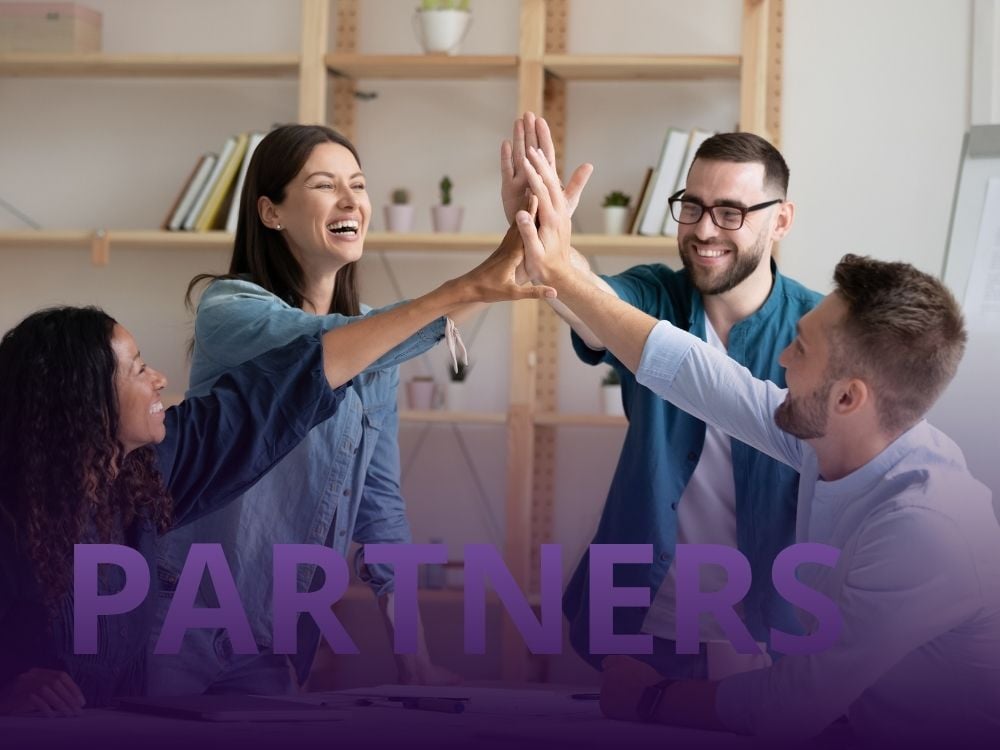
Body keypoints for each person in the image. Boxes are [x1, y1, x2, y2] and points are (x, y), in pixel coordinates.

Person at [514, 145, 1000, 742]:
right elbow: (698, 375)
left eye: (800, 351)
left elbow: (793, 703)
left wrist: (652, 698)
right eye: (693, 207)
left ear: (848, 398)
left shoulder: (927, 527)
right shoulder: (826, 440)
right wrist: (558, 267)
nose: (779, 361)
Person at [0, 206, 552, 715]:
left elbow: (292, 382)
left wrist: (474, 286)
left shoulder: (153, 470)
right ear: (80, 401)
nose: (160, 378)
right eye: (137, 368)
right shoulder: (13, 512)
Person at [149, 123, 532, 695]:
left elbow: (381, 511)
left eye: (358, 184)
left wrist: (414, 660)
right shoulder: (229, 310)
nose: (352, 200)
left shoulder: (375, 343)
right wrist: (476, 282)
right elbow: (321, 347)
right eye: (325, 185)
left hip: (279, 640)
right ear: (271, 212)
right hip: (183, 623)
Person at [501, 113, 822, 674]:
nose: (703, 230)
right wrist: (543, 243)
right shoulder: (655, 294)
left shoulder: (822, 330)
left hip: (771, 630)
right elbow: (593, 304)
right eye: (692, 206)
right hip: (643, 619)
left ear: (782, 221)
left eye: (731, 212)